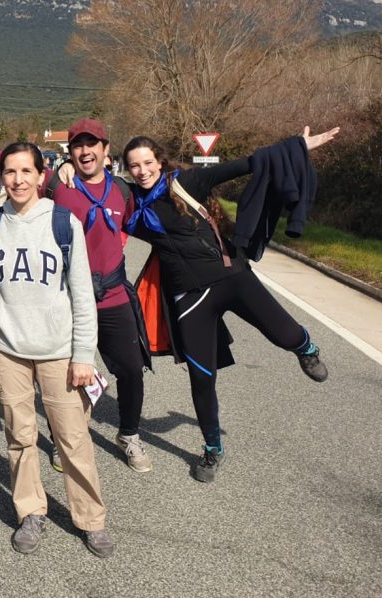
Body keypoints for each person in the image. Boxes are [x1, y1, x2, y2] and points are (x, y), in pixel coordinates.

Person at [77, 127, 338, 483]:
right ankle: (213, 449)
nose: (141, 170)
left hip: (232, 277)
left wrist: (297, 146)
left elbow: (247, 164)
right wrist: (65, 172)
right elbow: (90, 194)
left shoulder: (189, 181)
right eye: (134, 165)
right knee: (202, 378)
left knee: (283, 333)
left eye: (147, 162)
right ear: (126, 168)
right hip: (189, 297)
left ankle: (306, 348)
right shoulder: (130, 202)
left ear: (160, 161)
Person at [0, 98, 154, 473]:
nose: (84, 150)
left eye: (92, 143)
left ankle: (129, 434)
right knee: (68, 373)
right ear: (70, 152)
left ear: (105, 151)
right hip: (66, 297)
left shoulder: (122, 192)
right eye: (77, 144)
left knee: (128, 368)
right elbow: (10, 164)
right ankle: (66, 436)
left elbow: (147, 219)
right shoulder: (58, 188)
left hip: (110, 295)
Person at [0, 142, 116, 558]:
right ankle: (30, 510)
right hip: (7, 349)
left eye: (26, 172)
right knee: (20, 436)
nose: (18, 180)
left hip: (59, 351)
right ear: (1, 177)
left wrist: (83, 356)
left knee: (72, 438)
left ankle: (91, 519)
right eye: (10, 172)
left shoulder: (62, 222)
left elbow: (80, 295)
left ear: (42, 176)